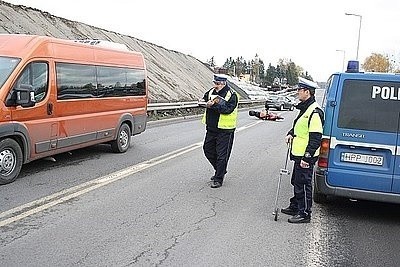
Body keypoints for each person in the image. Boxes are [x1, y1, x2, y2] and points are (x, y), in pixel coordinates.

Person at [280, 79, 324, 223]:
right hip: (298, 154)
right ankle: (295, 205)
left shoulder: (315, 111)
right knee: (296, 181)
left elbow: (316, 137)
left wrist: (307, 157)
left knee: (304, 184)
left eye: (300, 90)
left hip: (305, 156)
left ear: (307, 92)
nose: (298, 92)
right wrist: (291, 133)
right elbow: (300, 127)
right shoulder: (305, 108)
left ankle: (304, 213)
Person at [200, 74, 239, 188]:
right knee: (207, 150)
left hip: (225, 130)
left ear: (224, 83)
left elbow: (227, 109)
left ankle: (218, 179)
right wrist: (202, 102)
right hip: (211, 128)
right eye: (214, 83)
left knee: (222, 155)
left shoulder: (232, 95)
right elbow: (204, 99)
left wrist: (213, 106)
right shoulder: (211, 92)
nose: (215, 86)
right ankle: (220, 170)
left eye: (217, 84)